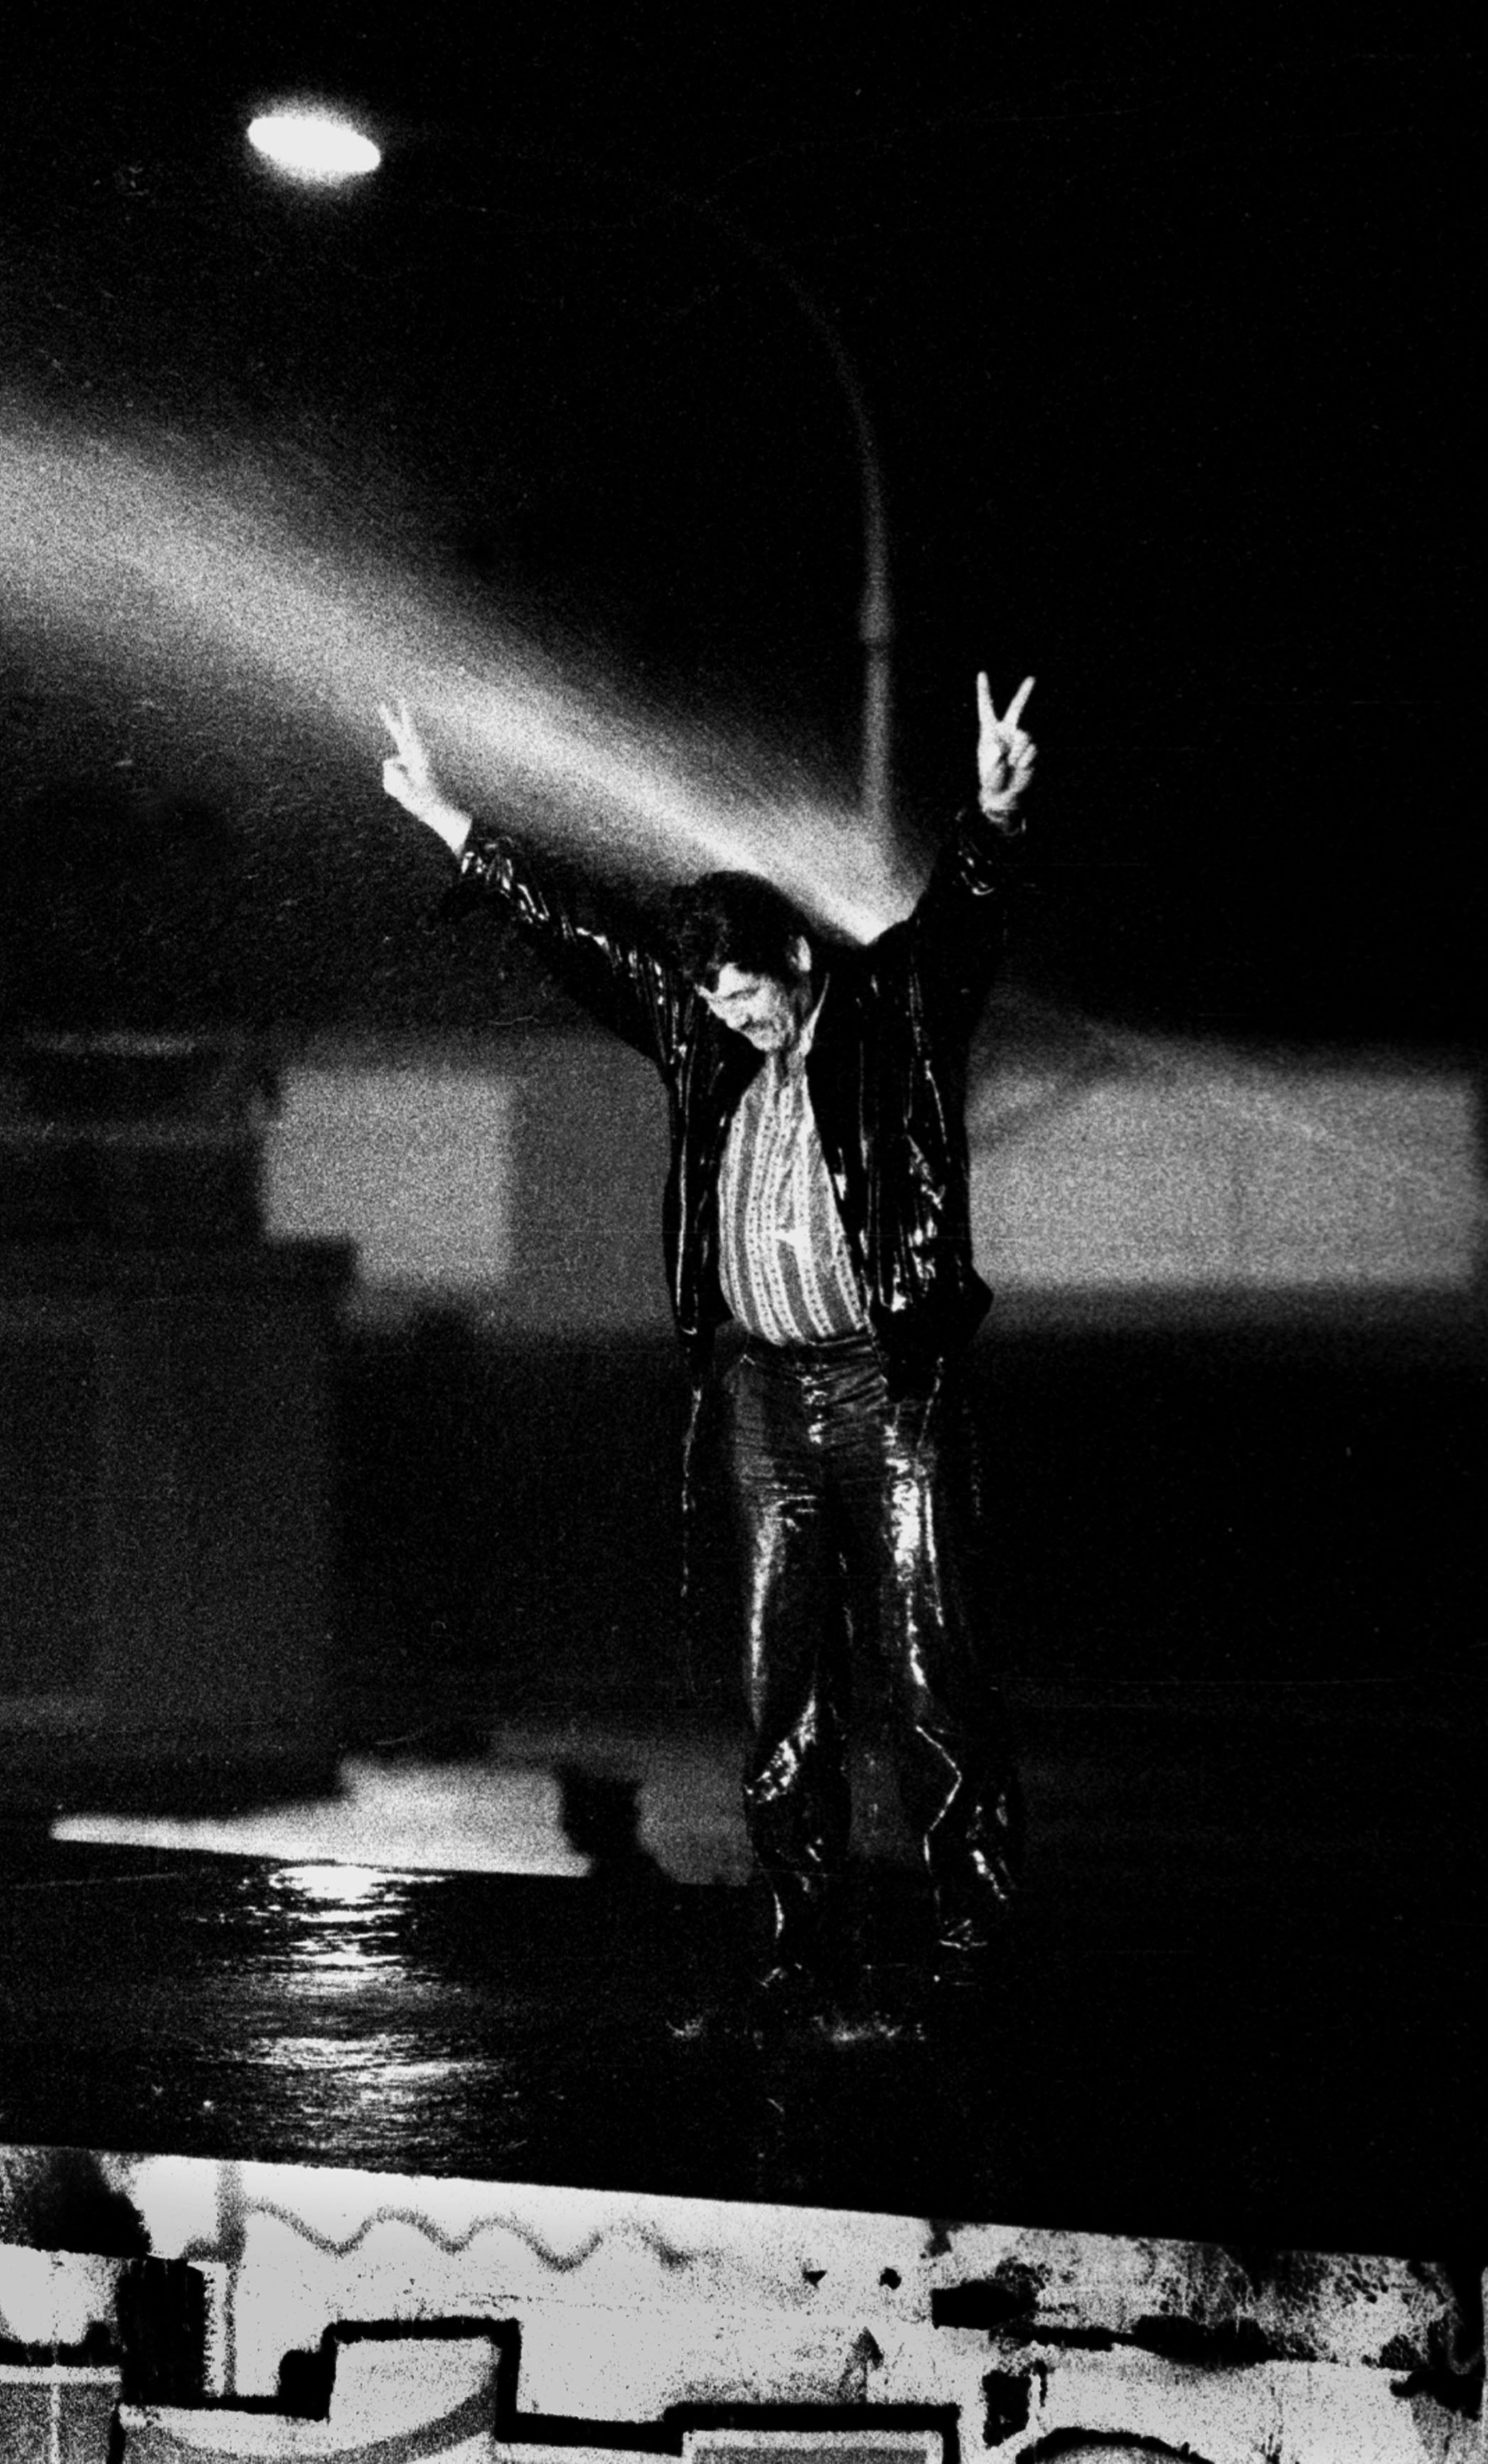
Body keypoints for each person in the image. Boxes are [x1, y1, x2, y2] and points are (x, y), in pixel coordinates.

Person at [376, 680, 1042, 2009]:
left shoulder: (892, 1014)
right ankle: (800, 1933)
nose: (732, 1021)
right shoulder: (699, 1030)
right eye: (714, 1005)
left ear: (792, 961)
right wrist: (461, 831)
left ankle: (977, 1929)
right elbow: (586, 937)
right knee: (777, 1679)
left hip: (885, 1394)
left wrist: (993, 815)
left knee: (928, 1670)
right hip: (762, 1399)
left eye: (747, 997)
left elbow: (958, 929)